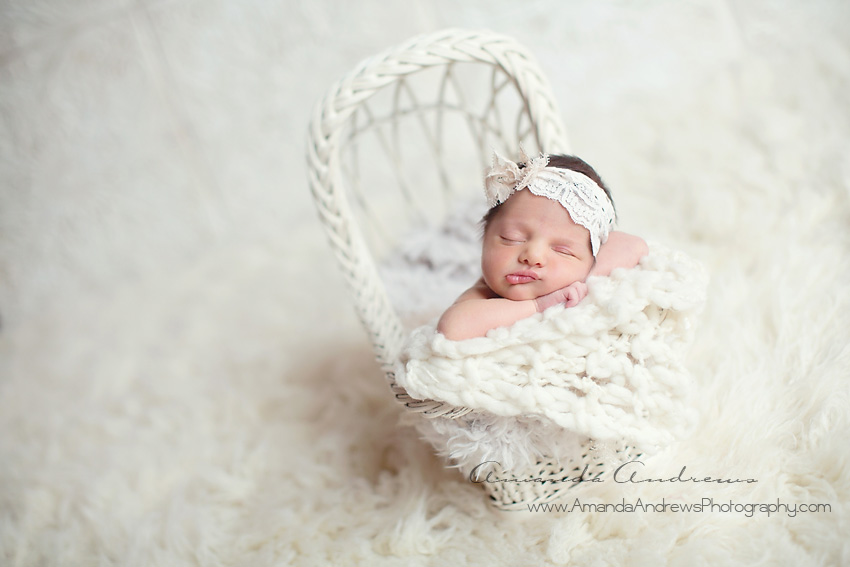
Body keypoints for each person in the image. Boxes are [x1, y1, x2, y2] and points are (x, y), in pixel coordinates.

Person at [437, 150, 648, 341]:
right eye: (512, 238)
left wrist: (581, 275)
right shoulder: (484, 293)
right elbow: (452, 328)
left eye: (562, 250)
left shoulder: (581, 277)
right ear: (485, 239)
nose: (533, 255)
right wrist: (539, 305)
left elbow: (634, 246)